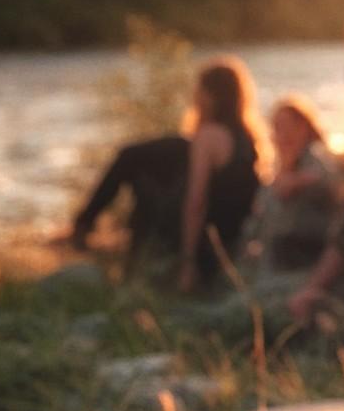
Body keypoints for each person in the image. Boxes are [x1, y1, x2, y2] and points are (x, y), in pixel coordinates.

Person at [70, 56, 267, 291]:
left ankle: (90, 231)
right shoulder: (248, 139)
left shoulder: (208, 136)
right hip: (230, 234)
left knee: (134, 165)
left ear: (209, 95)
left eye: (199, 89)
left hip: (207, 244)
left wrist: (188, 262)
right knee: (145, 156)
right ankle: (87, 226)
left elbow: (197, 202)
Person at [250, 96, 344, 270]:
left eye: (288, 126)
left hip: (309, 258)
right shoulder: (282, 167)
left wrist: (292, 178)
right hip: (282, 258)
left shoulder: (316, 156)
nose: (283, 134)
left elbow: (324, 177)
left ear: (304, 128)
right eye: (277, 128)